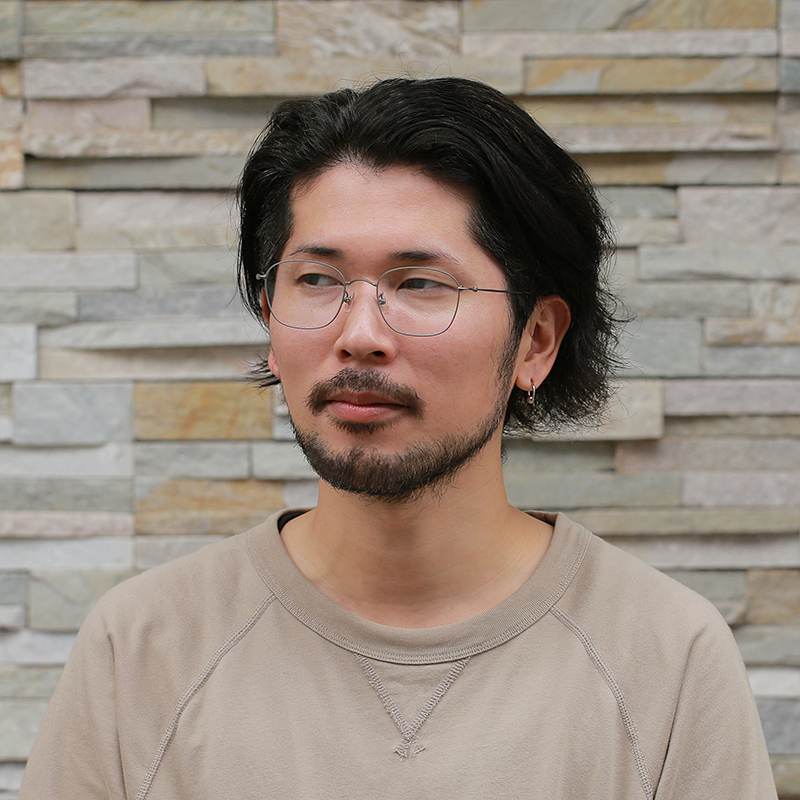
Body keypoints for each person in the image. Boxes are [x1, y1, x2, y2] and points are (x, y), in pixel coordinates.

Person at [19, 77, 776, 799]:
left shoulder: (666, 659)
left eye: (419, 284)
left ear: (536, 341)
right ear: (270, 320)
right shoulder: (142, 649)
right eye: (317, 280)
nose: (360, 334)